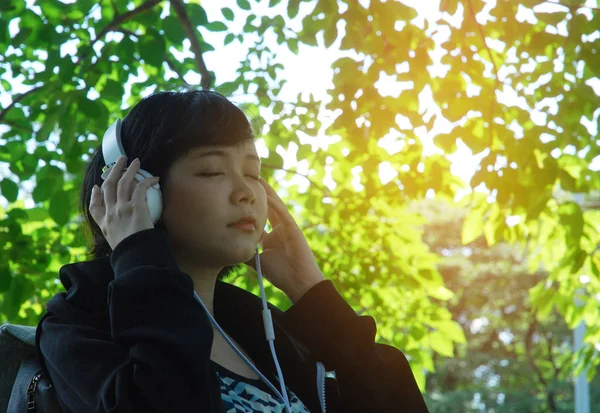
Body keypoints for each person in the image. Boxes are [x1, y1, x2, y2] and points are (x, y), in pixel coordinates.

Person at [35, 90, 430, 412]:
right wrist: (139, 255)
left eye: (253, 173)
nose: (246, 192)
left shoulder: (264, 332)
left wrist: (313, 295)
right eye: (212, 171)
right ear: (139, 191)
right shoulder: (78, 323)